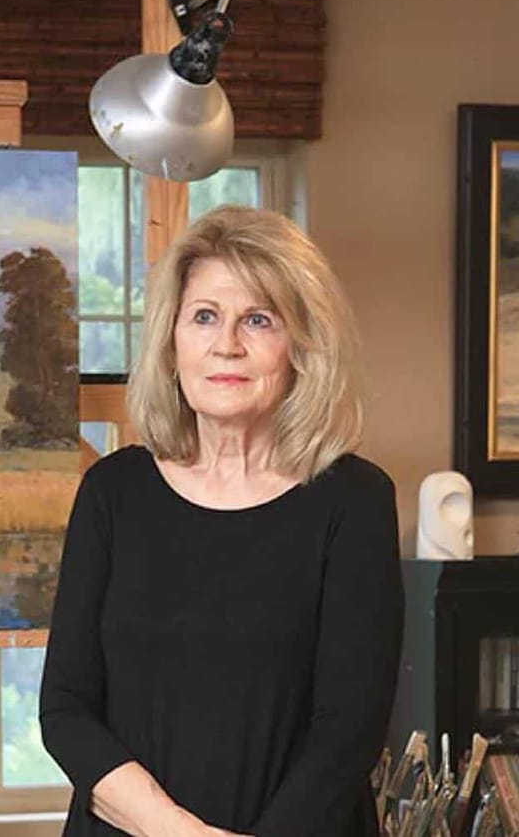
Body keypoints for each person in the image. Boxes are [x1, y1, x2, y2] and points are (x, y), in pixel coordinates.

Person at [39, 205, 404, 837]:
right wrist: (177, 831)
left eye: (257, 320)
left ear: (301, 344)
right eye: (204, 316)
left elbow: (349, 732)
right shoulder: (113, 492)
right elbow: (66, 709)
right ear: (172, 340)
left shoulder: (356, 502)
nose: (226, 343)